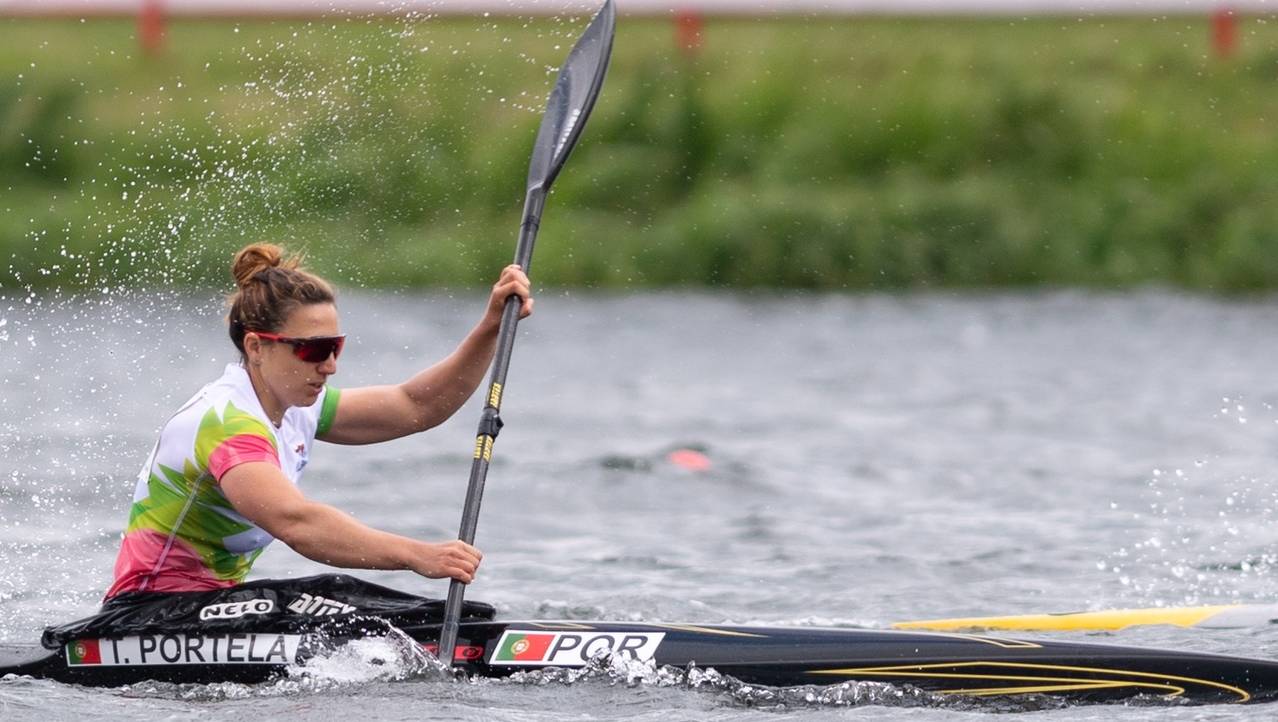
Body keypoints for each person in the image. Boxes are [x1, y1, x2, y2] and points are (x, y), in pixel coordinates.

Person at [104, 243, 532, 601]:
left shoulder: (297, 408)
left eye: (335, 347)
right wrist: (416, 555)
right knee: (337, 595)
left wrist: (491, 326)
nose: (329, 366)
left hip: (213, 607)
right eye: (312, 350)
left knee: (360, 603)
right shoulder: (227, 423)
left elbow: (416, 406)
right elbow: (298, 523)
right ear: (256, 347)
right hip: (150, 613)